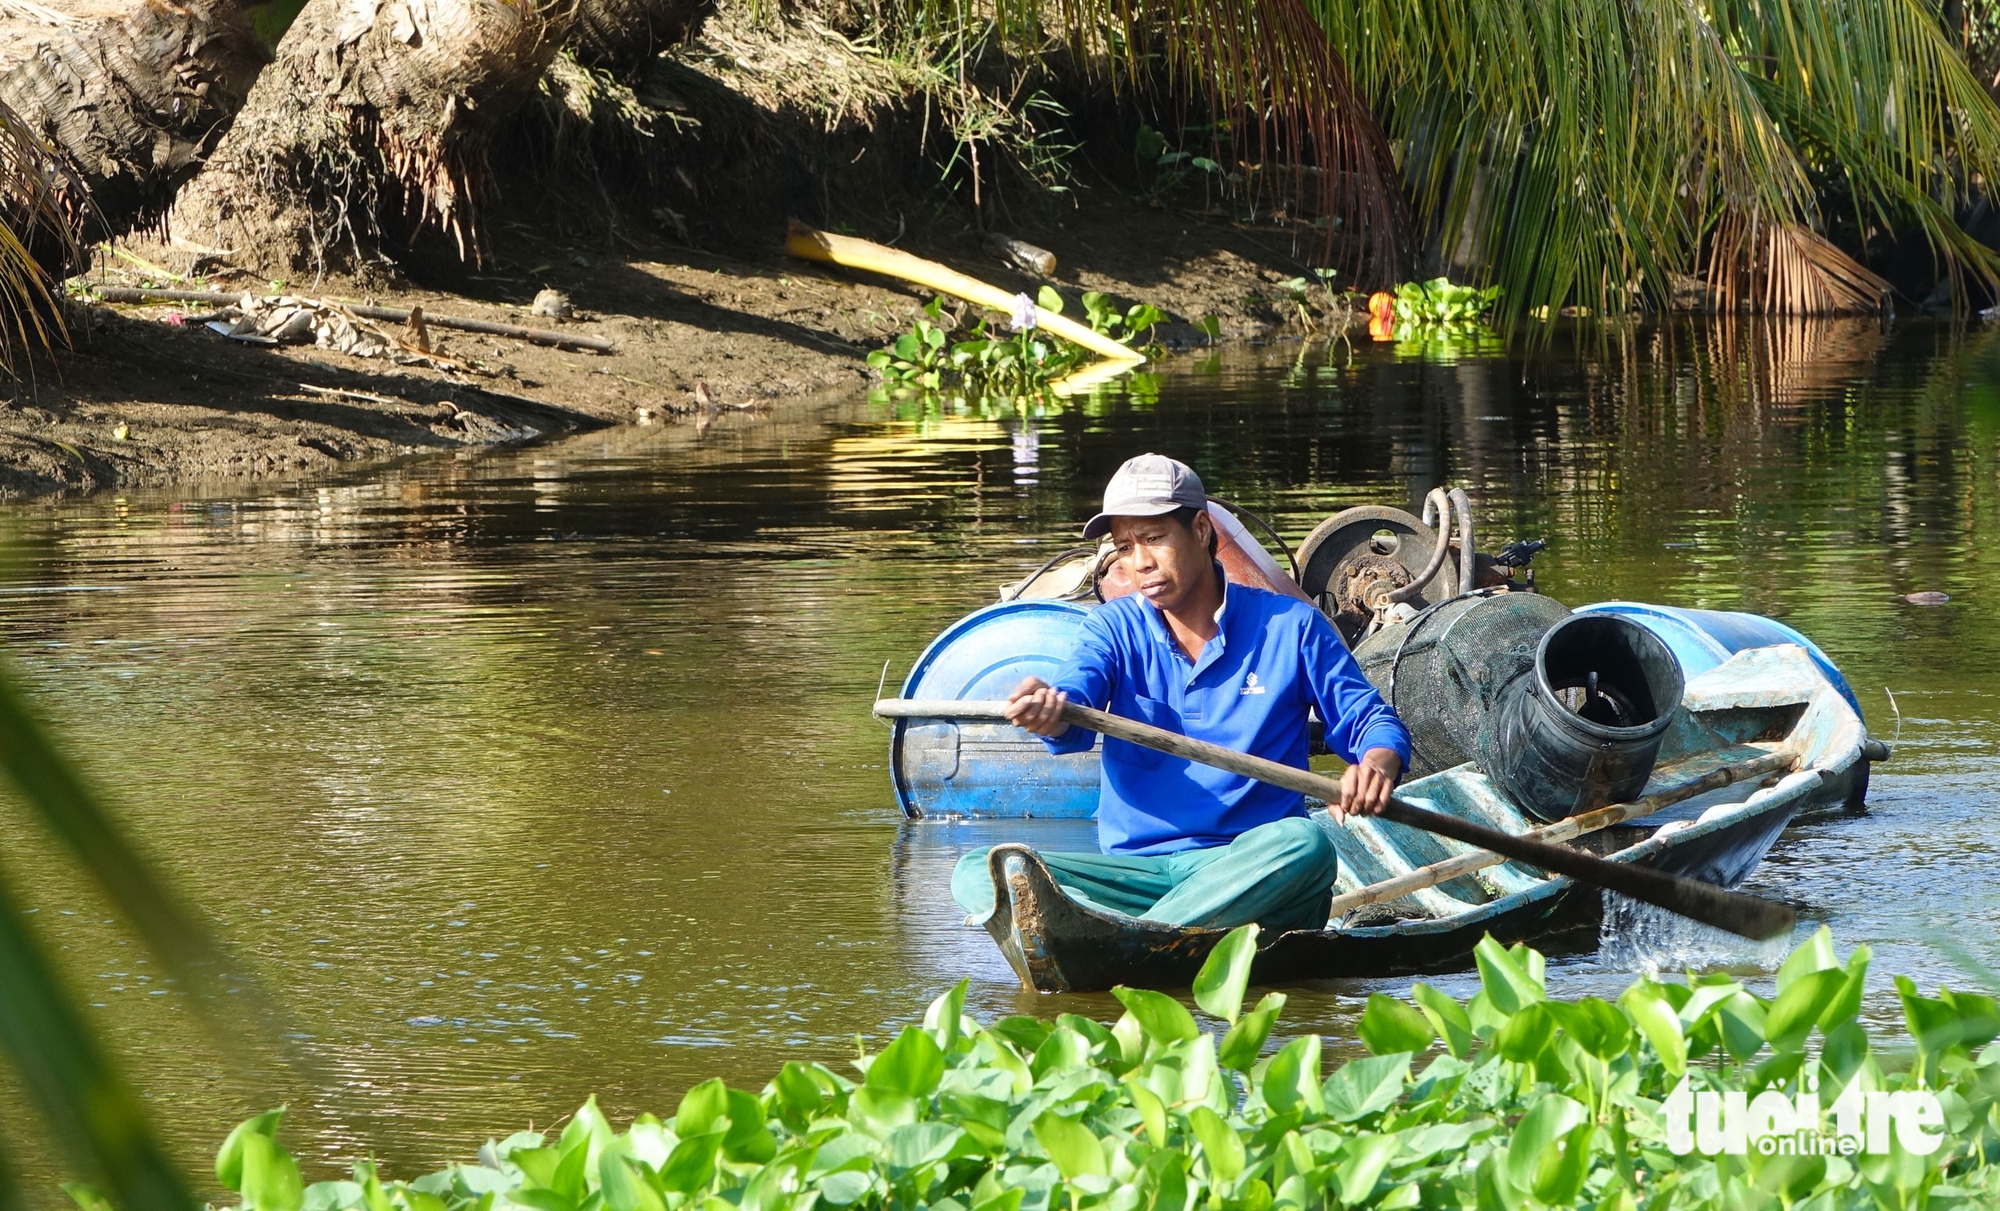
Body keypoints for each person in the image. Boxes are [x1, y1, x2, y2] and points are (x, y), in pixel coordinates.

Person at [951, 454, 1412, 934]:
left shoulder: (1291, 628)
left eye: (1153, 538)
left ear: (1200, 529)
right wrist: (1051, 711)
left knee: (1305, 846)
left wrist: (1375, 766)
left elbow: (1370, 720)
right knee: (980, 870)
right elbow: (1075, 698)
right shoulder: (1111, 628)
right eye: (1124, 546)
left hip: (1251, 872)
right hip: (1143, 876)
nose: (1140, 563)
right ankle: (1143, 937)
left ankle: (1121, 941)